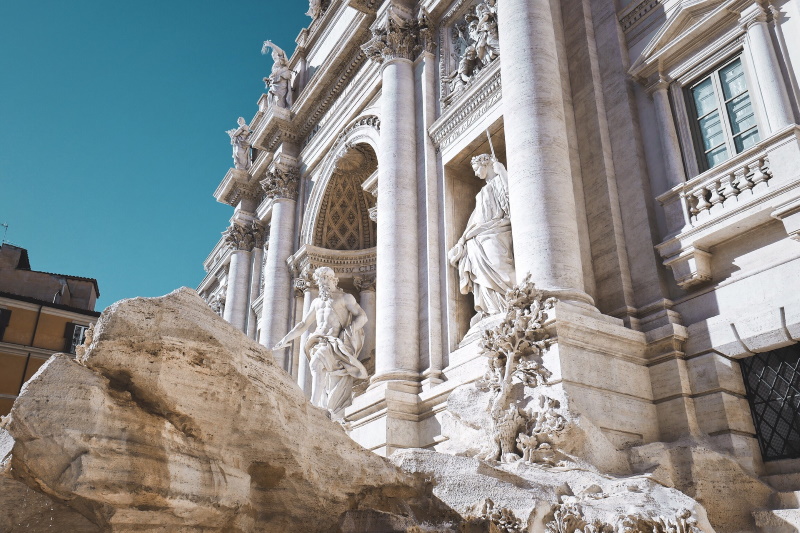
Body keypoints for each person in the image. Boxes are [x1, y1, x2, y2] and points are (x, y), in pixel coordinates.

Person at [273, 267, 368, 417]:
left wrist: (348, 331)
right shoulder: (316, 302)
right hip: (317, 341)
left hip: (334, 343)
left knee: (316, 364)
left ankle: (312, 406)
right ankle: (320, 406)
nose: (323, 282)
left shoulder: (345, 298)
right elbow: (303, 324)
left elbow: (362, 317)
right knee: (320, 371)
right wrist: (286, 339)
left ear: (334, 280)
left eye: (326, 278)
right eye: (320, 279)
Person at [448, 154, 515, 322]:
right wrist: (463, 239)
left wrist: (503, 172)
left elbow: (512, 197)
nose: (476, 174)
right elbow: (474, 220)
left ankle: (510, 300)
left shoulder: (500, 181)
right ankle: (492, 308)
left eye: (477, 169)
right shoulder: (482, 192)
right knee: (473, 252)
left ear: (486, 164)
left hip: (498, 230)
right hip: (482, 234)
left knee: (498, 262)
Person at [262, 40, 293, 109]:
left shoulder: (282, 61)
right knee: (273, 97)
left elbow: (281, 52)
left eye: (274, 53)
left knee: (280, 97)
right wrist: (269, 80)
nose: (273, 55)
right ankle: (278, 109)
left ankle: (281, 108)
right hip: (274, 83)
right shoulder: (274, 65)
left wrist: (271, 45)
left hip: (281, 80)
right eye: (273, 55)